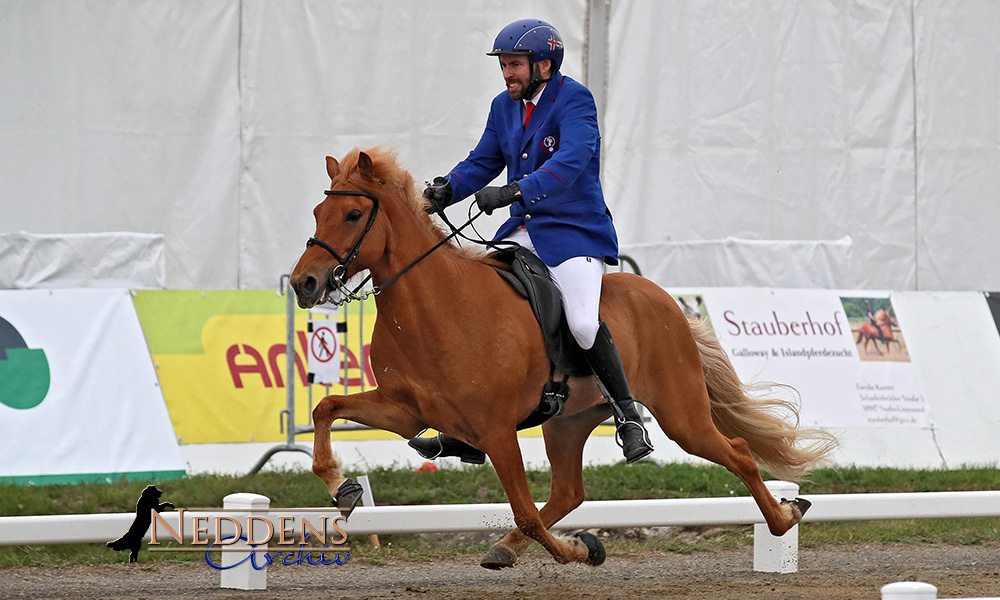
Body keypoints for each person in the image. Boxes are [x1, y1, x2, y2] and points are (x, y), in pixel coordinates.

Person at [408, 19, 654, 464]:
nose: (507, 75)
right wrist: (446, 189)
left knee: (582, 322)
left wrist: (514, 191)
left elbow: (572, 159)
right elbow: (482, 161)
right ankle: (469, 430)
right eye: (503, 66)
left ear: (544, 64)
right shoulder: (503, 107)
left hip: (575, 232)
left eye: (515, 65)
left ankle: (628, 415)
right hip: (522, 231)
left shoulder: (575, 100)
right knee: (479, 306)